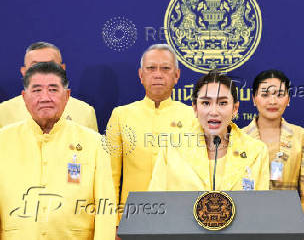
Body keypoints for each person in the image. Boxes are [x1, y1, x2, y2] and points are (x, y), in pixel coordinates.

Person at [0, 62, 116, 239]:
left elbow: (105, 207)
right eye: (37, 90)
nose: (45, 97)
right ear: (24, 97)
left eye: (53, 90)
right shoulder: (3, 140)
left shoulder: (94, 142)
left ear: (67, 96)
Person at [105, 44, 196, 221]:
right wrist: (114, 222)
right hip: (133, 215)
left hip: (180, 215)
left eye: (165, 68)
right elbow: (110, 175)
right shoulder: (121, 115)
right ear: (141, 75)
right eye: (151, 68)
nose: (158, 74)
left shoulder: (193, 117)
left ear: (176, 75)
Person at [149, 70, 269, 191]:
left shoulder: (256, 151)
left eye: (222, 103)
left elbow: (262, 206)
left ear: (235, 109)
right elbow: (156, 203)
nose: (213, 112)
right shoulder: (172, 148)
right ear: (195, 108)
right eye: (206, 103)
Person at [242, 69, 304, 239]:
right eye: (265, 94)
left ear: (288, 99)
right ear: (254, 98)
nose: (272, 101)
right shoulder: (239, 137)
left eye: (279, 94)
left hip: (291, 226)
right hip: (249, 225)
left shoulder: (301, 136)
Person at [0, 41, 98, 131]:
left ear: (62, 69)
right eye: (36, 66)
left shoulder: (85, 112)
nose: (43, 71)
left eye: (50, 65)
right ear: (24, 72)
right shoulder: (3, 112)